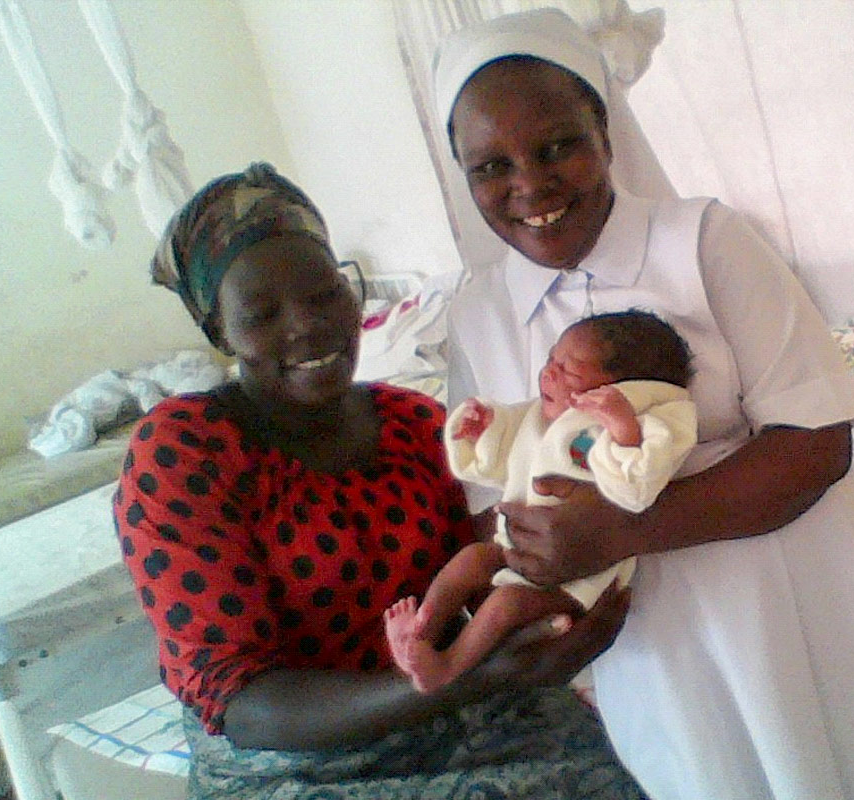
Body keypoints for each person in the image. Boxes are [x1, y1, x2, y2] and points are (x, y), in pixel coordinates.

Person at [434, 9, 854, 800]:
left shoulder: (703, 241)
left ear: (604, 130)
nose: (529, 182)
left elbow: (816, 446)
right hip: (651, 642)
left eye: (557, 143)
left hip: (798, 591)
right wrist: (540, 605)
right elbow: (493, 501)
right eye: (490, 164)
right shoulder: (477, 314)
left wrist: (622, 526)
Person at [114, 162, 649, 799]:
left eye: (323, 294)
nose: (307, 325)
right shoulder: (184, 455)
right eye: (262, 314)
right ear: (218, 331)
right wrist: (465, 677)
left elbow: (487, 568)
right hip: (294, 762)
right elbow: (244, 704)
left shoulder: (415, 424)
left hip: (458, 711)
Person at [385, 310, 697, 693]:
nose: (548, 374)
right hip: (517, 548)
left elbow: (637, 486)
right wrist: (483, 432)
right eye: (551, 359)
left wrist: (621, 425)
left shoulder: (636, 425)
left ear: (622, 390)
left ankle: (446, 668)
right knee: (470, 559)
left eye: (569, 373)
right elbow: (504, 463)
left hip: (577, 579)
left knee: (506, 604)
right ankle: (419, 635)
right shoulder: (540, 417)